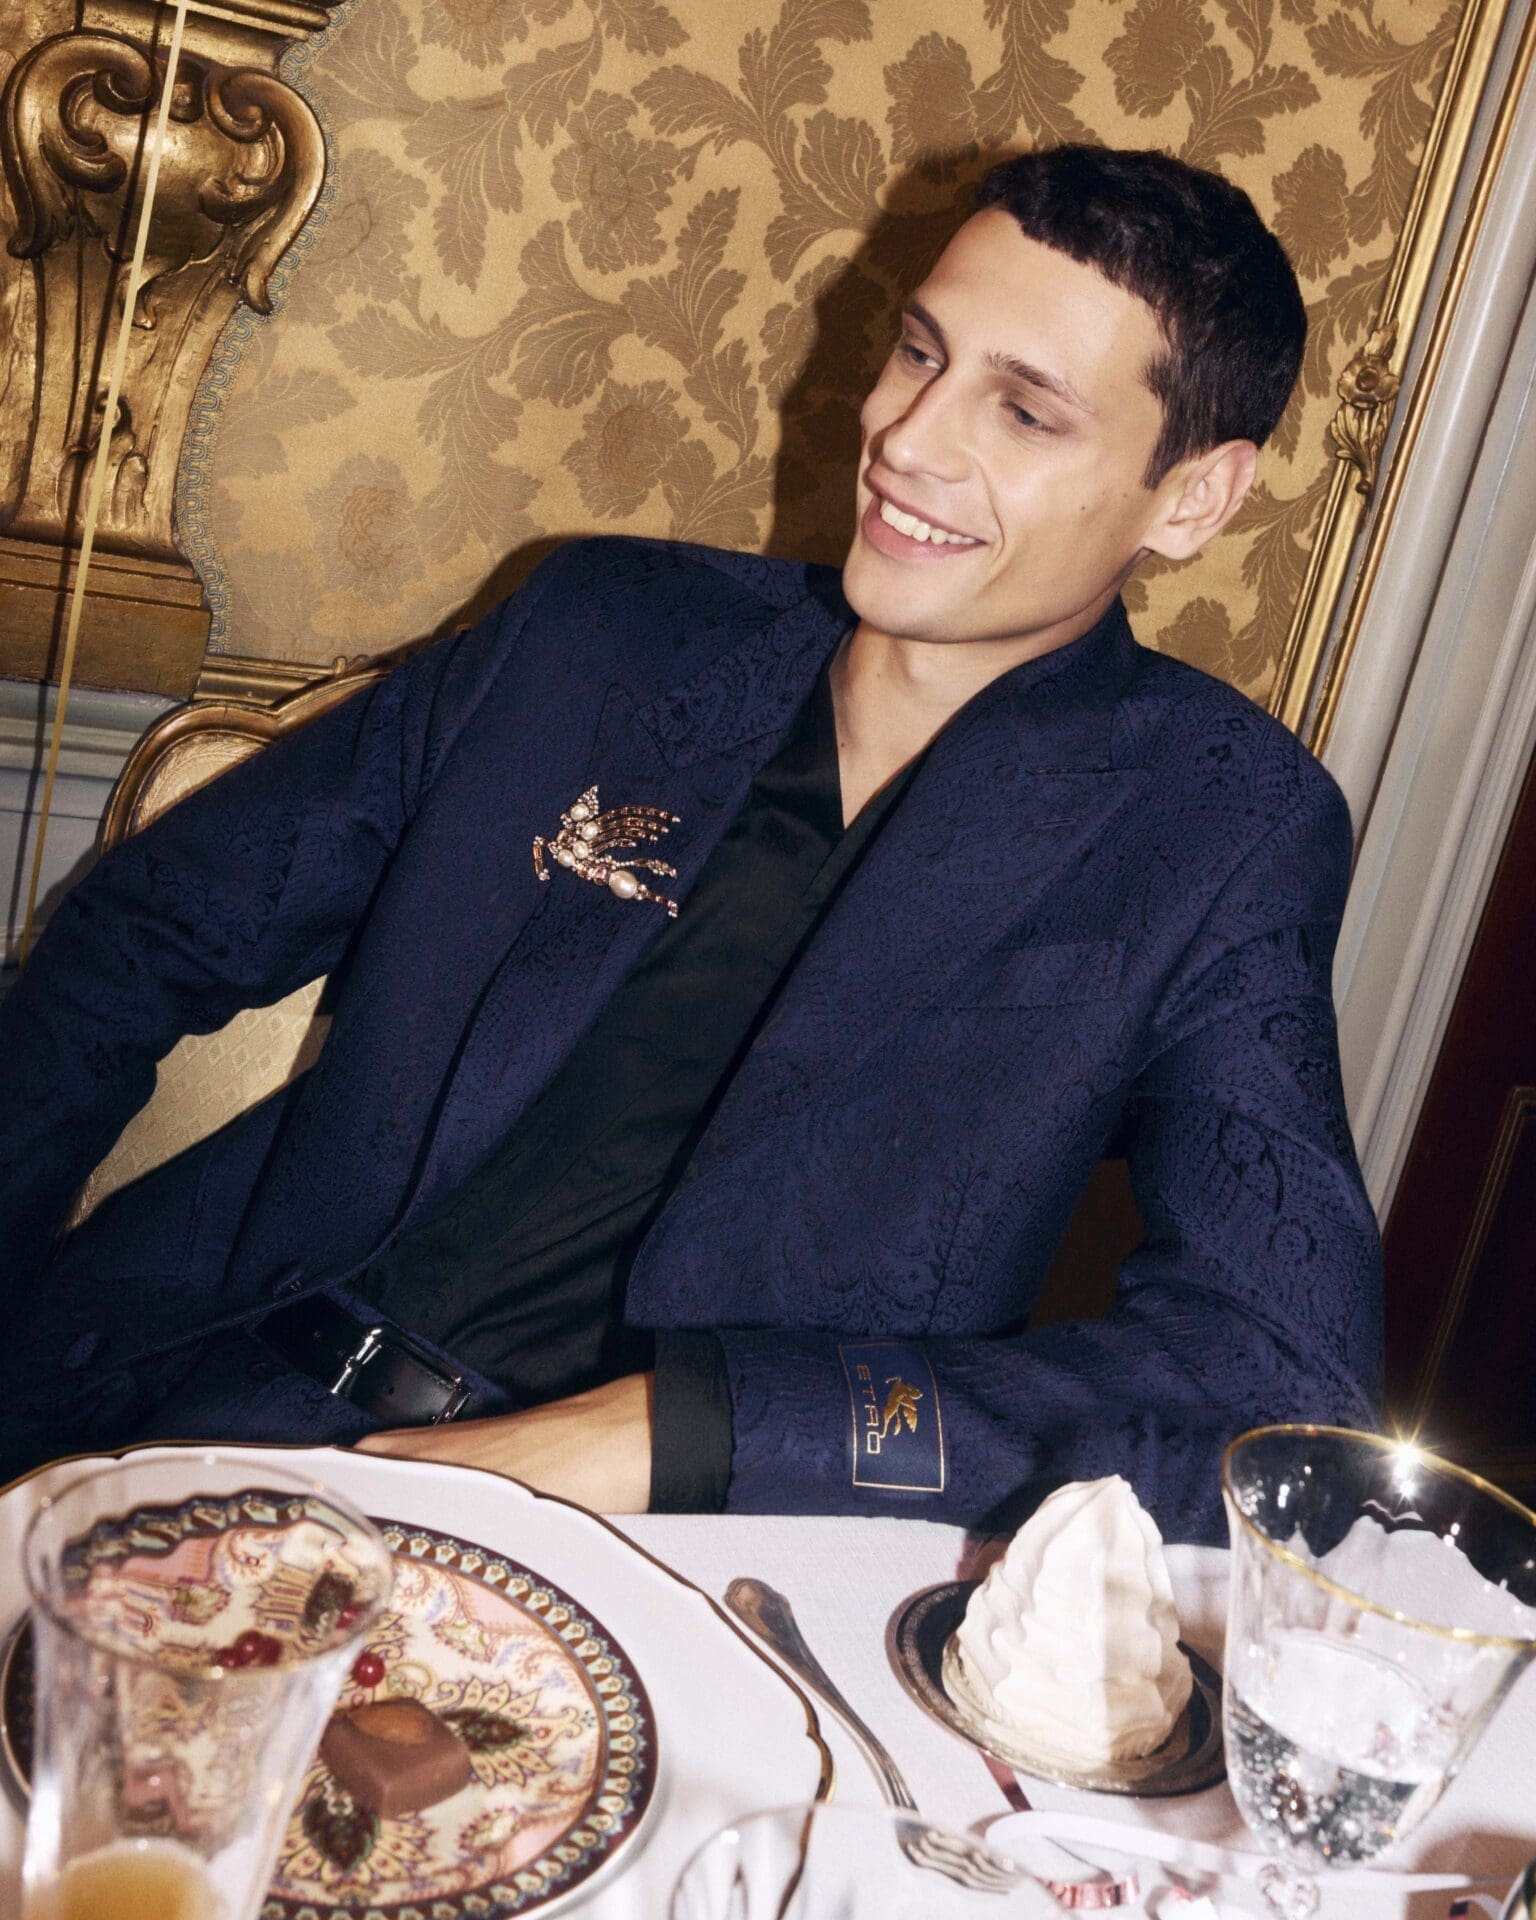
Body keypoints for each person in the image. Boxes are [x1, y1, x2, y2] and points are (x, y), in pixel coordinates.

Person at [0, 146, 1381, 1537]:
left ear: (1192, 498)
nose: (906, 438)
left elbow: (1282, 1381)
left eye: (1024, 412)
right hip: (206, 1406)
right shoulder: (602, 632)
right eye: (920, 352)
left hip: (665, 1559)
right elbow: (145, 938)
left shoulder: (1210, 826)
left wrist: (678, 1434)